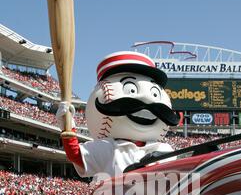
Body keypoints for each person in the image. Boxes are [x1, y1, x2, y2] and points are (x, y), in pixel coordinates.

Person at [56, 51, 179, 184]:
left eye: (154, 94)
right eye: (131, 89)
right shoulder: (110, 148)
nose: (147, 100)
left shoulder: (165, 150)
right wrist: (67, 127)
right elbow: (76, 155)